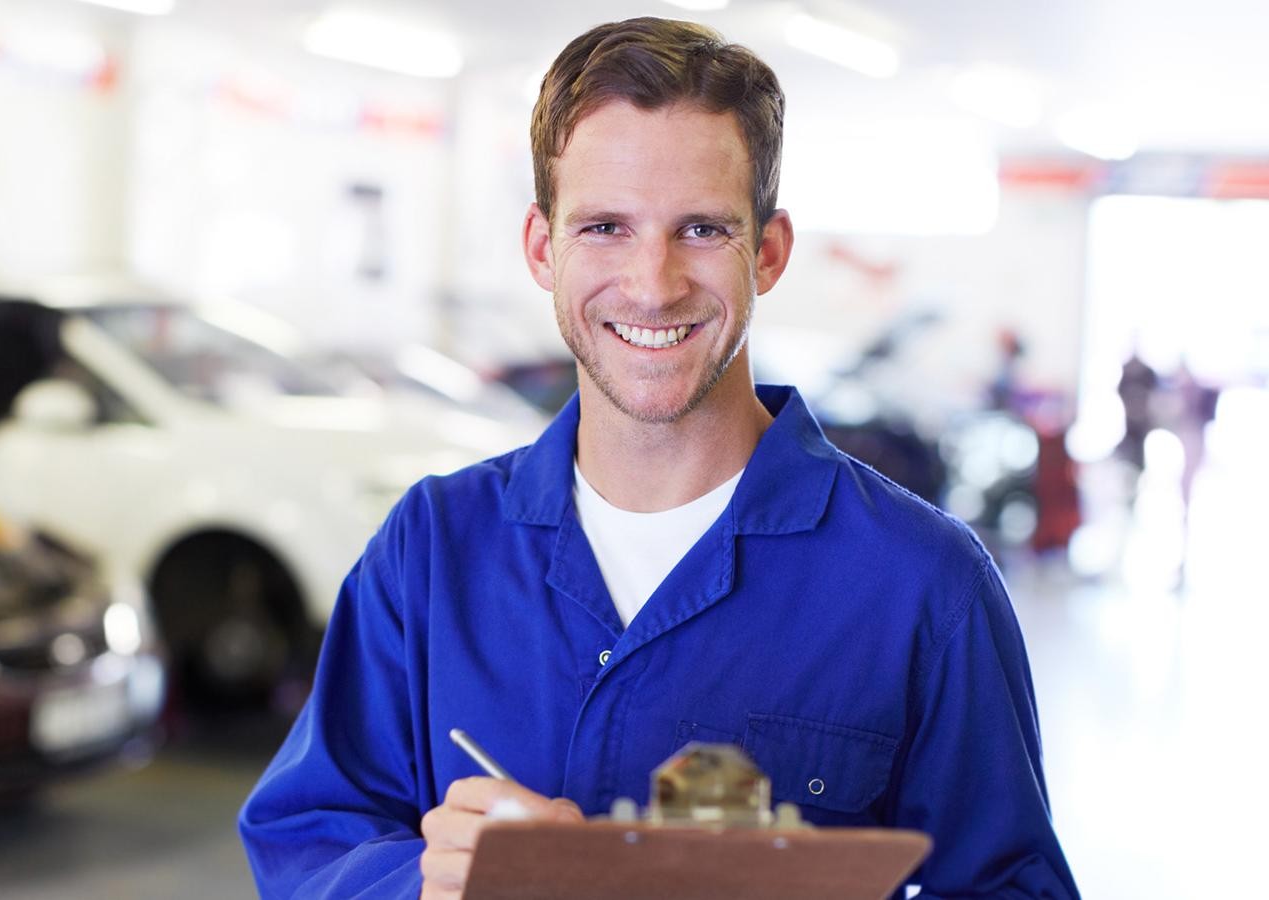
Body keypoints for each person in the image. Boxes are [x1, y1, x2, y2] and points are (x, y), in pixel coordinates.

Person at [240, 17, 1077, 899]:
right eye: (604, 226)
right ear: (540, 248)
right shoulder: (432, 550)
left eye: (703, 231)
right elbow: (306, 843)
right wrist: (423, 882)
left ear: (769, 250)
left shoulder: (920, 586)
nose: (652, 281)